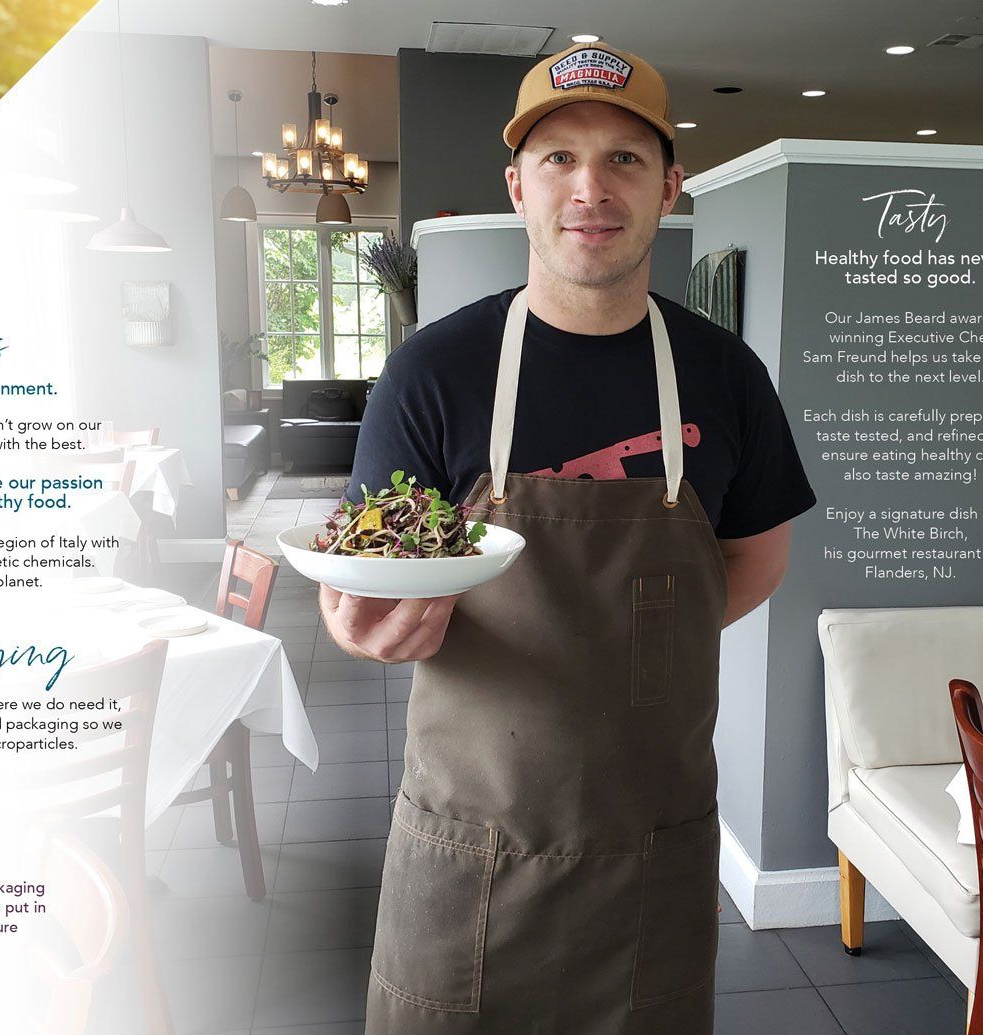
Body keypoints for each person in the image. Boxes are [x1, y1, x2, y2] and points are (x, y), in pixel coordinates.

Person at [328, 43, 816, 1032]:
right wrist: (362, 623)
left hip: (651, 847)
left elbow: (756, 556)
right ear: (517, 185)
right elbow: (369, 576)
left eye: (625, 159)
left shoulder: (723, 376)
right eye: (558, 158)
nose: (589, 188)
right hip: (469, 849)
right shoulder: (433, 373)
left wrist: (637, 634)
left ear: (670, 186)